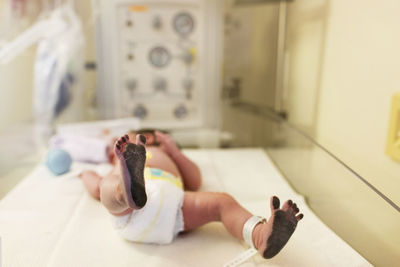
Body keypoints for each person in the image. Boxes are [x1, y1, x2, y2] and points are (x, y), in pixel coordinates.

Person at [79, 130, 303, 259]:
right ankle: (124, 191)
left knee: (221, 202)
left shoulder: (168, 155)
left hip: (172, 203)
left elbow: (194, 181)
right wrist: (87, 174)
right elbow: (96, 187)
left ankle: (259, 234)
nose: (150, 143)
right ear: (114, 154)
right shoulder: (112, 168)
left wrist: (174, 152)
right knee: (107, 186)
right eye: (137, 140)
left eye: (152, 140)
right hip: (129, 210)